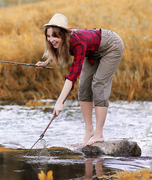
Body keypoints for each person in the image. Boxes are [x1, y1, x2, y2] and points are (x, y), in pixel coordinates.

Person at [35, 13, 124, 146]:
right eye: (48, 36)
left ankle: (99, 134)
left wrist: (59, 102)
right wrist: (46, 62)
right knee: (83, 87)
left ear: (63, 35)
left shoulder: (78, 42)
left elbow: (72, 76)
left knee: (99, 84)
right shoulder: (63, 41)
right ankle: (89, 130)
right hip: (92, 51)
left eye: (54, 36)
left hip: (111, 47)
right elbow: (56, 49)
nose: (51, 39)